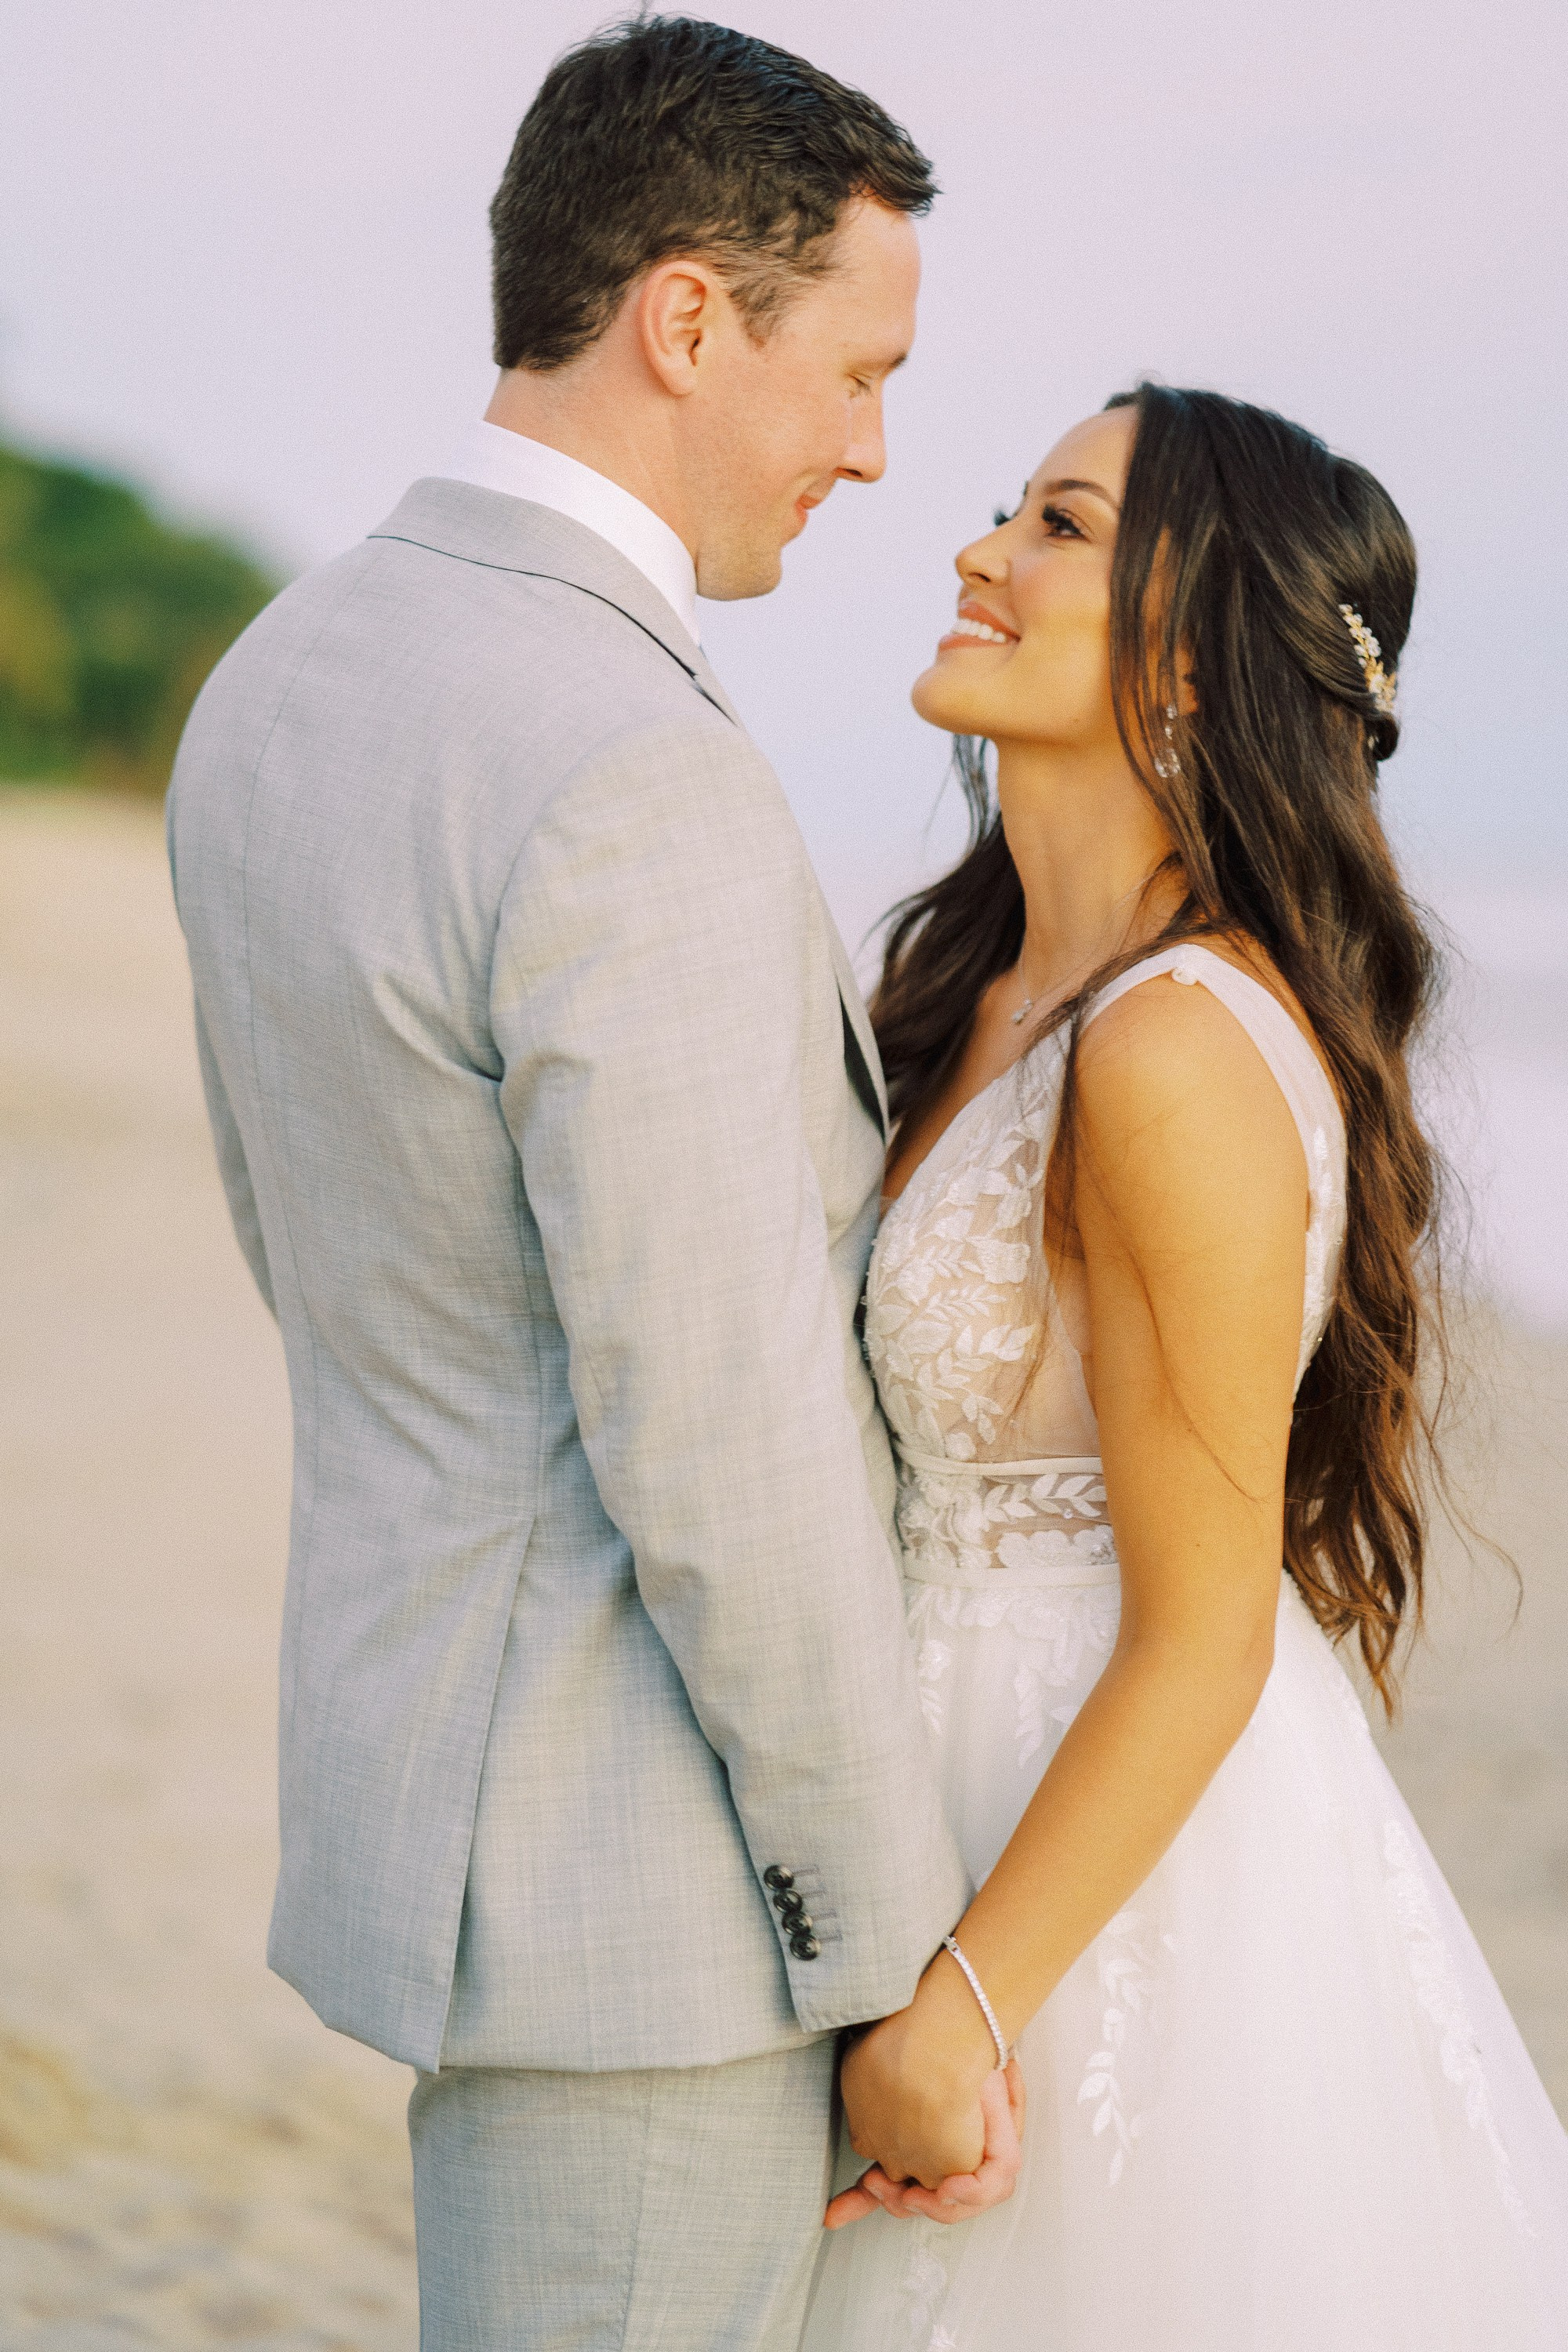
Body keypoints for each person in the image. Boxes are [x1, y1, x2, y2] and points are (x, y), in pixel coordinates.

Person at [166, 20, 1018, 2349]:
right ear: (681, 317)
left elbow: (315, 1247)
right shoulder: (629, 763)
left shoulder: (278, 678)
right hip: (653, 1920)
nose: (874, 447)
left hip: (438, 1821)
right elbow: (716, 1435)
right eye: (855, 368)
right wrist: (888, 1945)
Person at [803, 383, 1568, 2347]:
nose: (979, 552)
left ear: (1184, 644)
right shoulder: (967, 991)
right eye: (1009, 512)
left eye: (1057, 524)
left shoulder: (1166, 1050)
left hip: (1098, 1857)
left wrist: (967, 2001)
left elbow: (1206, 1626)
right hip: (925, 1779)